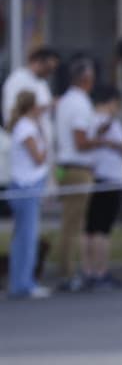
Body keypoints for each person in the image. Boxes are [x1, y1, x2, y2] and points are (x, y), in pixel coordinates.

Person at [54, 57, 104, 291]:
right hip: (78, 168)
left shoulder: (65, 100)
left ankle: (68, 270)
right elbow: (80, 140)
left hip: (67, 166)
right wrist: (102, 141)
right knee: (73, 225)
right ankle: (68, 273)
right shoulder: (80, 103)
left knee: (70, 223)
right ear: (86, 79)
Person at [81, 85, 122, 289]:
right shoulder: (110, 123)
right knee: (103, 228)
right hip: (110, 178)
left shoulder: (89, 120)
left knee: (91, 227)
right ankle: (100, 271)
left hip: (95, 176)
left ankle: (88, 270)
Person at [5, 91, 51, 299]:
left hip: (29, 186)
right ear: (32, 106)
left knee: (24, 237)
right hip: (26, 187)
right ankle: (23, 283)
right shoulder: (26, 127)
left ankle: (21, 282)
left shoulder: (27, 125)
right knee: (26, 238)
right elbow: (38, 157)